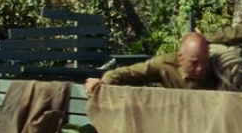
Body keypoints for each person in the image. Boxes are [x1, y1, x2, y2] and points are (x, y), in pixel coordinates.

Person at [84, 32, 220, 97]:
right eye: (194, 63)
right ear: (180, 58)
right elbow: (128, 73)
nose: (200, 68)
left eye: (204, 61)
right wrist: (103, 83)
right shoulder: (165, 66)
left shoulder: (220, 69)